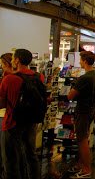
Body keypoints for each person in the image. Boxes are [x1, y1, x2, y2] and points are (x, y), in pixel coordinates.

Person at [0, 49, 44, 179]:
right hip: (31, 121)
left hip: (12, 122)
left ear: (17, 60)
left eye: (13, 57)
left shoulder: (9, 79)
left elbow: (1, 104)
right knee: (31, 153)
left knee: (10, 157)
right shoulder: (38, 76)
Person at [67, 51, 95, 178]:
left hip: (82, 111)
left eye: (81, 60)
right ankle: (81, 164)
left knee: (82, 140)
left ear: (85, 61)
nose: (80, 62)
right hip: (90, 109)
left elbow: (70, 95)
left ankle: (86, 169)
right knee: (84, 137)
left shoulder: (84, 78)